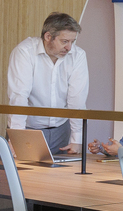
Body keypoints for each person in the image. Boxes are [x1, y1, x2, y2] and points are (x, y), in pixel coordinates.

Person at [7, 12, 89, 154]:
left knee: (61, 169)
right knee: (22, 168)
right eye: (64, 41)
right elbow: (19, 96)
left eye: (72, 41)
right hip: (29, 129)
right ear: (48, 37)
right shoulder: (24, 52)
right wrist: (17, 136)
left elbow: (77, 98)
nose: (69, 47)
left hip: (61, 129)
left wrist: (77, 139)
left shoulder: (78, 55)